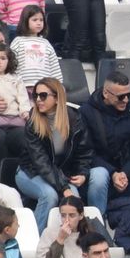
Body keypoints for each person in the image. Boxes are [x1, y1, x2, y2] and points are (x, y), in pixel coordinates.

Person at [79, 69, 130, 215]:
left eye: (129, 95)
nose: (126, 100)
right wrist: (113, 173)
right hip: (100, 173)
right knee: (99, 175)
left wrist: (125, 173)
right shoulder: (86, 112)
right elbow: (86, 151)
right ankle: (97, 224)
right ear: (106, 93)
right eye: (121, 96)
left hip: (128, 174)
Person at [17, 77, 93, 230]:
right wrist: (64, 188)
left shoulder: (75, 119)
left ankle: (72, 243)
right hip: (30, 172)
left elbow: (84, 152)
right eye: (35, 96)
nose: (38, 100)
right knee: (49, 195)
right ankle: (35, 241)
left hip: (60, 174)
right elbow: (41, 162)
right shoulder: (33, 122)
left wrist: (83, 173)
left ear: (57, 98)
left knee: (74, 200)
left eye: (43, 95)